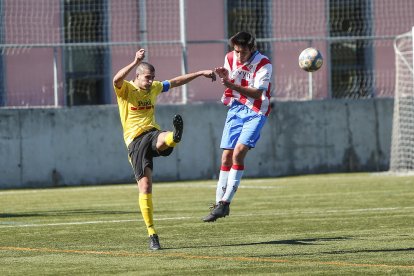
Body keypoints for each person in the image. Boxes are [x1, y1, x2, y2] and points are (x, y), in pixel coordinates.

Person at [113, 48, 216, 250]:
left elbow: (176, 81)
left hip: (151, 133)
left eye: (153, 78)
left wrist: (199, 73)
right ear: (138, 76)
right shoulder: (125, 89)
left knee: (162, 138)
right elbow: (116, 79)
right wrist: (134, 61)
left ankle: (174, 137)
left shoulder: (154, 88)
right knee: (145, 187)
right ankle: (152, 234)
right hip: (135, 141)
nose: (151, 82)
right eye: (147, 78)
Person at [203, 31, 272, 222]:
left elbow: (258, 94)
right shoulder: (230, 58)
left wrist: (231, 85)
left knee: (239, 152)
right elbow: (231, 82)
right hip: (236, 108)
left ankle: (226, 203)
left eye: (243, 52)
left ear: (252, 49)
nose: (238, 56)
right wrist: (226, 78)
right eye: (236, 51)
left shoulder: (264, 64)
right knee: (226, 155)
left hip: (256, 111)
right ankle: (218, 204)